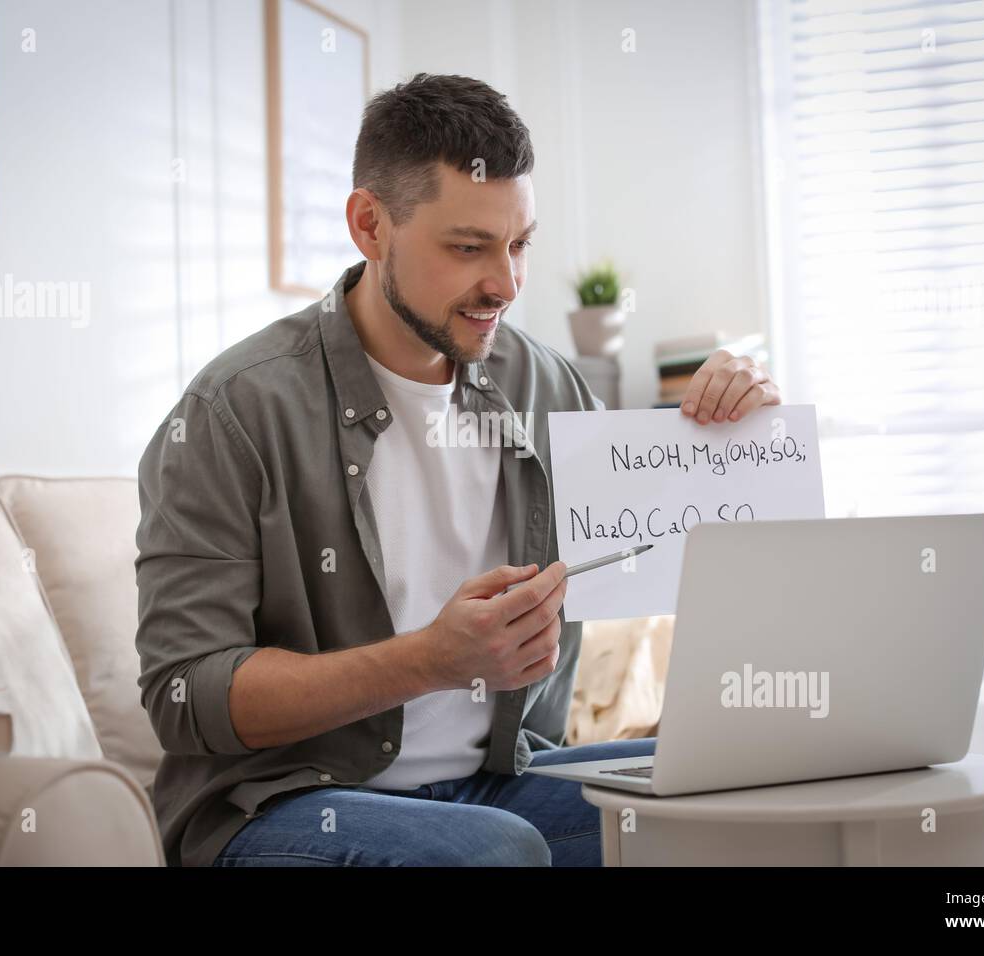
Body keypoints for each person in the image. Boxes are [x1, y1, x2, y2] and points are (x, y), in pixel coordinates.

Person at [134, 72, 782, 867]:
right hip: (283, 802)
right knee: (495, 852)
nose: (505, 285)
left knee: (738, 798)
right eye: (468, 247)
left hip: (494, 779)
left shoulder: (545, 385)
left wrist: (739, 429)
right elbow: (184, 694)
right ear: (370, 225)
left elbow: (666, 539)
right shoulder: (233, 411)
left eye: (520, 246)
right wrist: (429, 661)